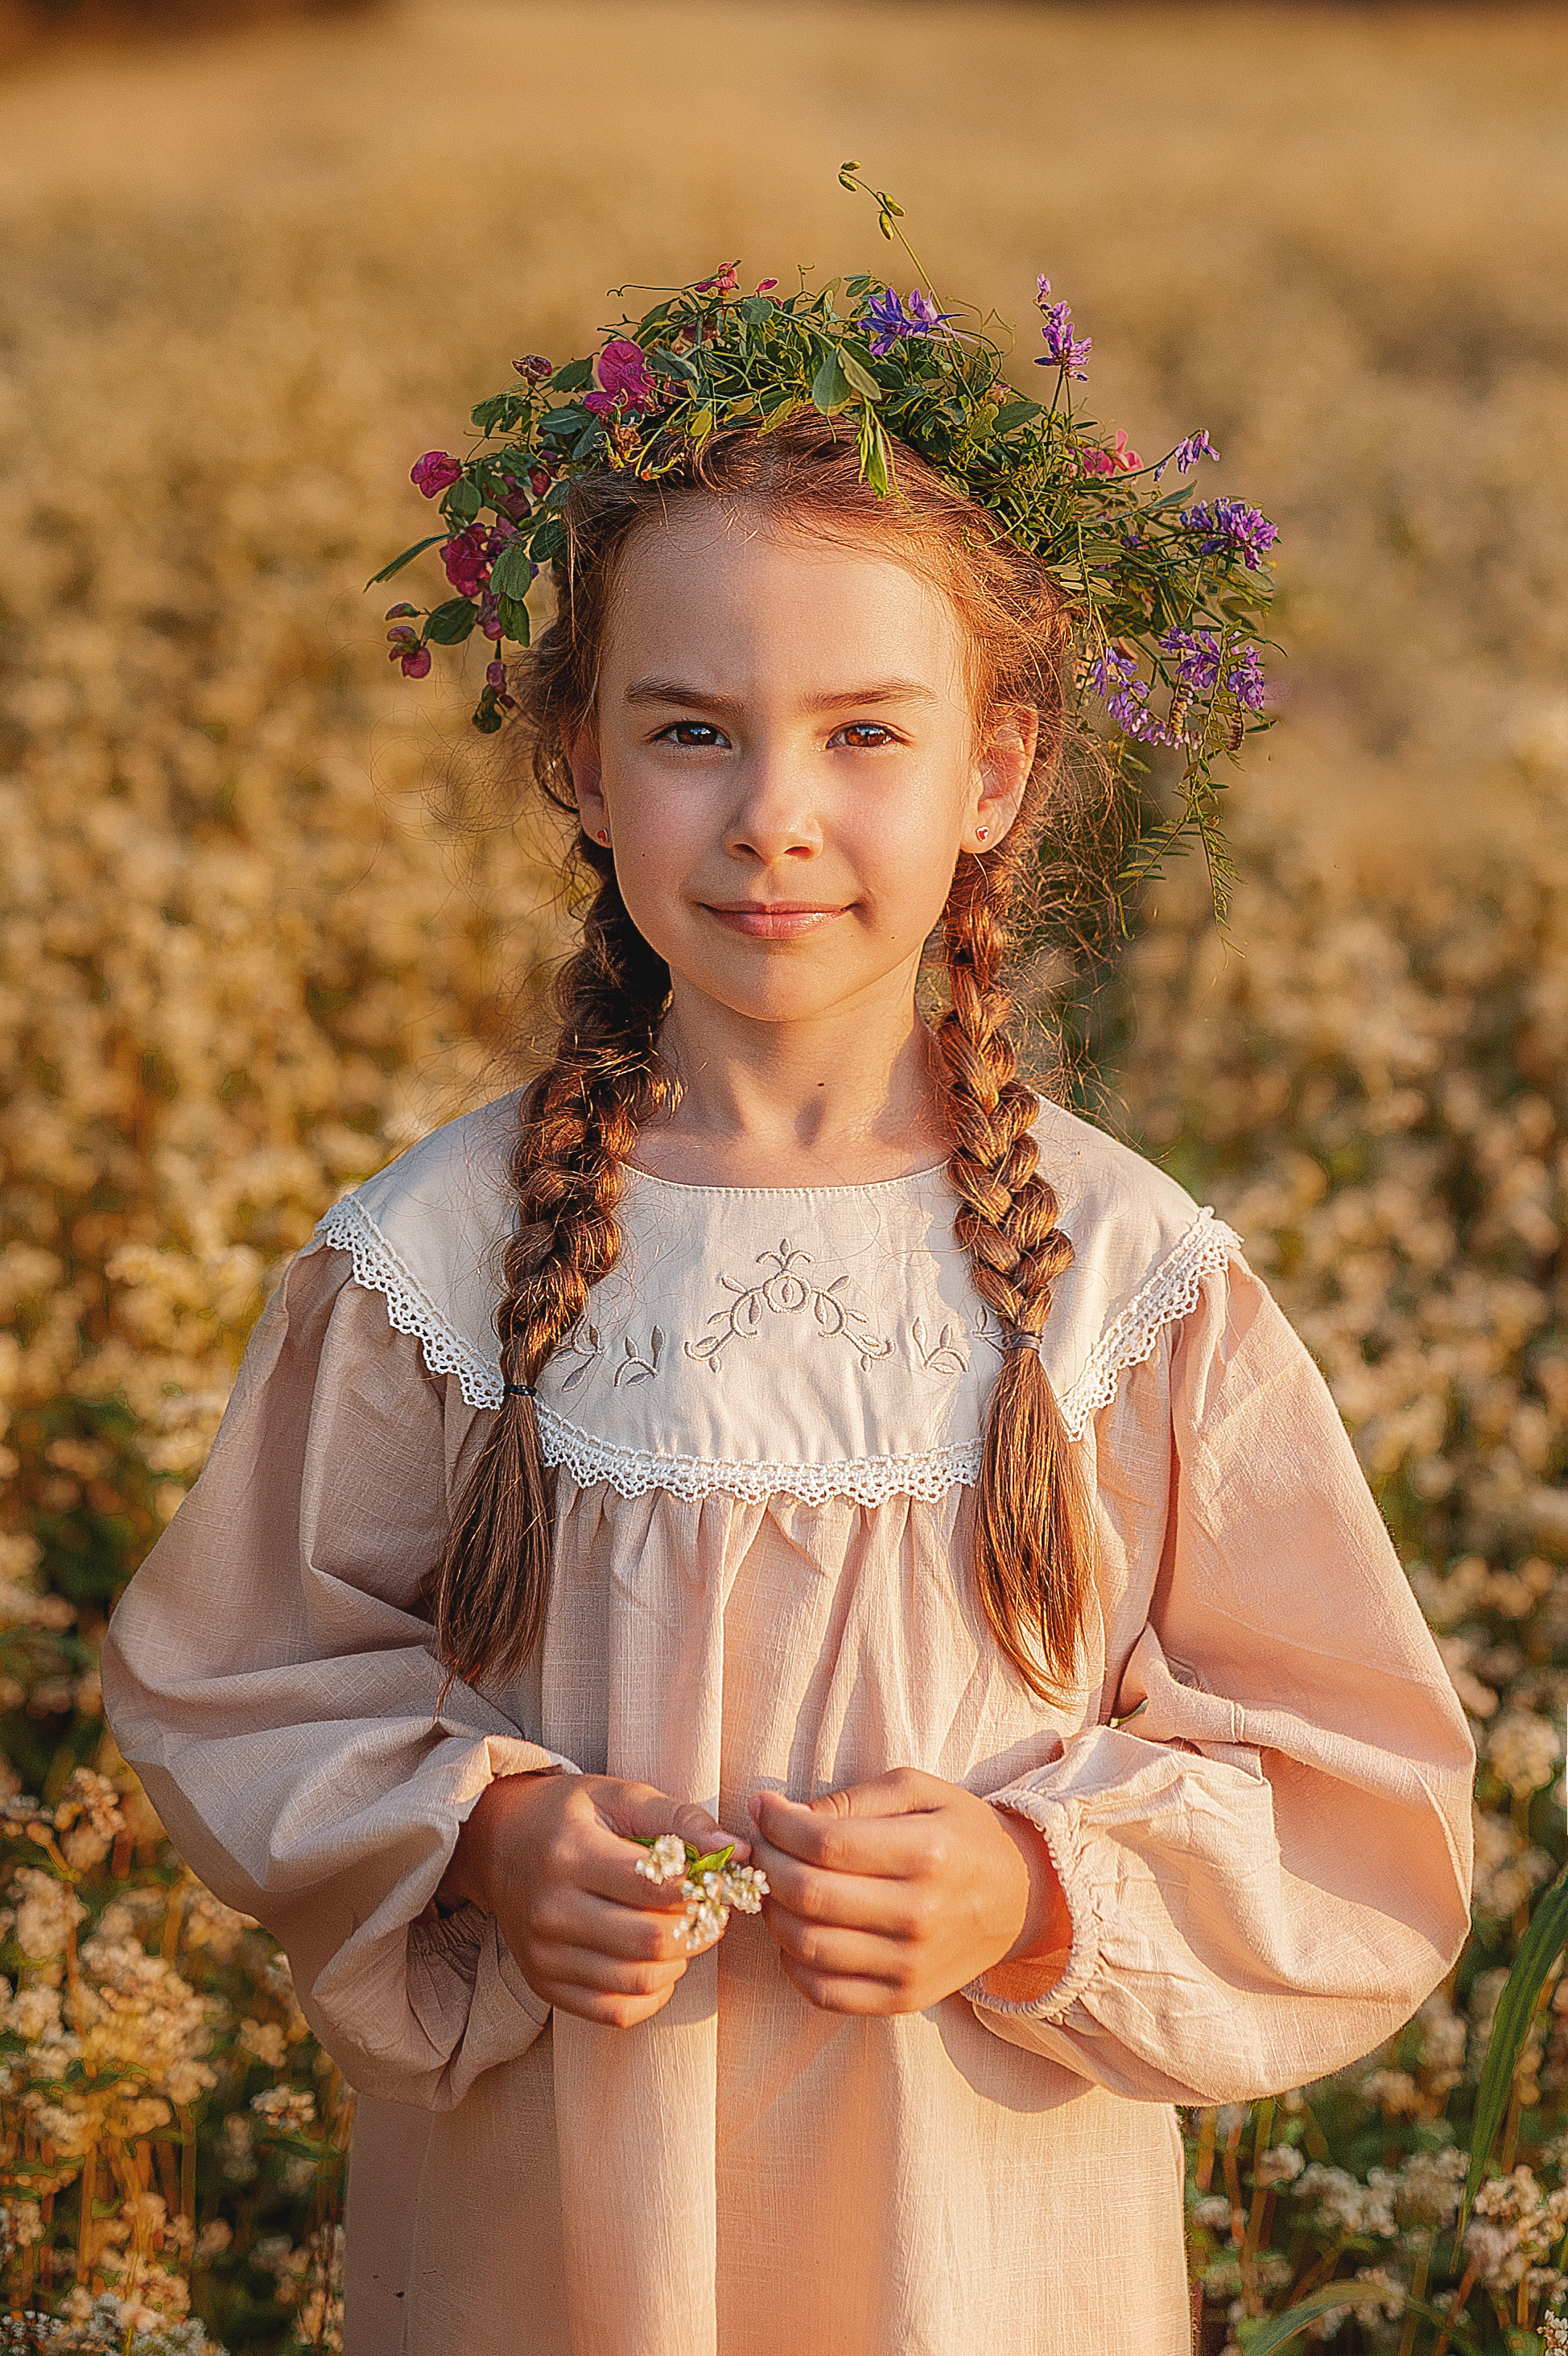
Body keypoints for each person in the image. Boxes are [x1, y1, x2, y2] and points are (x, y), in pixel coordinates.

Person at [102, 250, 1474, 2356]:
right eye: (687, 731)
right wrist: (490, 1838)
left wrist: (1029, 1892)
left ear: (995, 772)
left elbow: (1354, 1792)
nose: (773, 817)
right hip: (553, 2254)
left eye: (863, 731)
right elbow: (234, 1681)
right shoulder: (439, 1260)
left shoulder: (1124, 1281)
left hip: (978, 2258)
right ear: (576, 762)